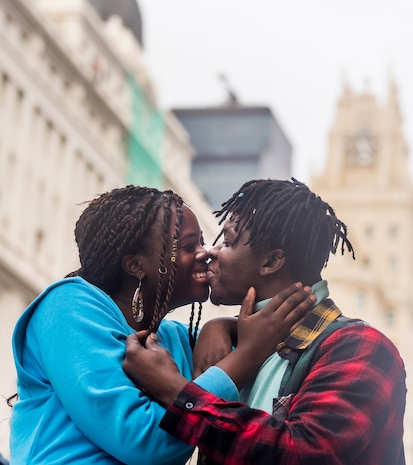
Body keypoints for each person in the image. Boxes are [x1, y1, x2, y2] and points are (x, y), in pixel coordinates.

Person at [10, 184, 315, 464]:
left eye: (204, 242)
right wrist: (247, 355)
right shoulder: (67, 306)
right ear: (135, 265)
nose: (205, 253)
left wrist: (219, 326)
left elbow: (258, 335)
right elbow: (143, 443)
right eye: (187, 245)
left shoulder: (176, 340)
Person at [123, 178, 407, 465]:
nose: (212, 251)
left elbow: (302, 453)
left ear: (272, 262)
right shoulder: (240, 344)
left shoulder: (362, 347)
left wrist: (175, 392)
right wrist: (222, 327)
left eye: (230, 241)